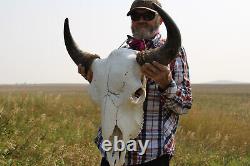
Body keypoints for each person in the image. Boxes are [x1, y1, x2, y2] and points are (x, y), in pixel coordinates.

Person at [78, 0, 192, 165]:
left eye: (148, 15)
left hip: (153, 155)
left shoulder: (175, 53)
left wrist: (166, 84)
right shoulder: (120, 52)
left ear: (160, 19)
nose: (141, 19)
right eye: (135, 15)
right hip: (112, 151)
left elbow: (184, 105)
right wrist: (95, 80)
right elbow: (109, 98)